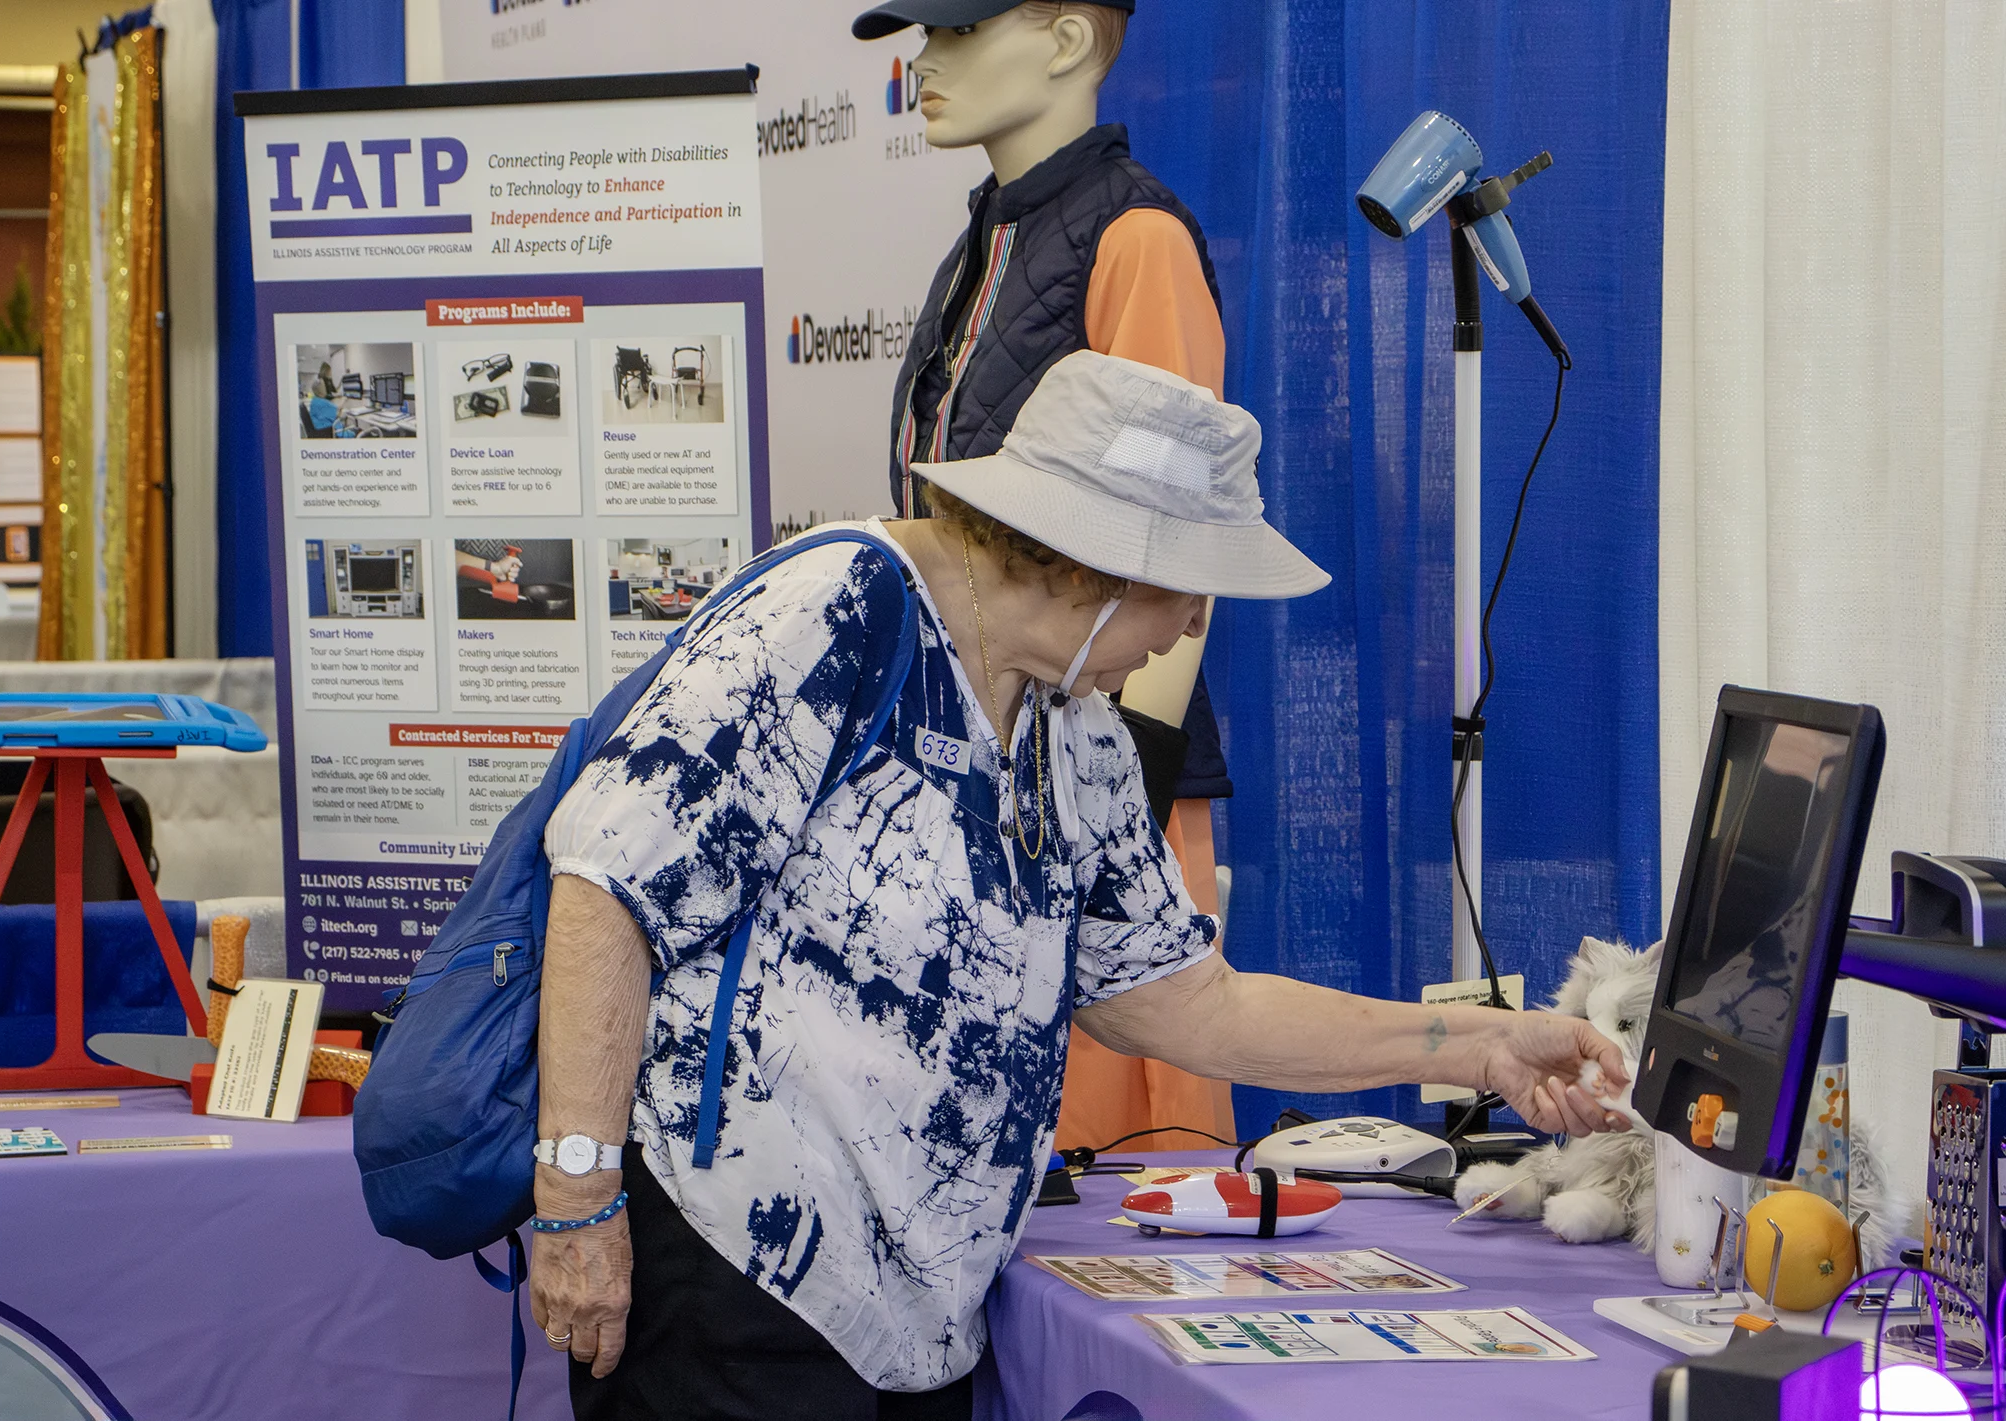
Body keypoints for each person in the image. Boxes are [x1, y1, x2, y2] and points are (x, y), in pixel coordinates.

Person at [529, 353, 1631, 1419]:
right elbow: (605, 884)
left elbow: (1188, 1000)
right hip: (732, 1277)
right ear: (1088, 563)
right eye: (1188, 588)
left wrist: (1482, 1045)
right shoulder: (834, 613)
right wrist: (576, 1194)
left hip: (917, 1317)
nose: (1197, 624)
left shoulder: (1078, 733)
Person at [855, 0, 1244, 1156]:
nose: (924, 63)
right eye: (923, 36)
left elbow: (1178, 551)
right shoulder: (983, 243)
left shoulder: (1134, 239)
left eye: (959, 34)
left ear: (1067, 41)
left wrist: (1122, 805)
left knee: (1115, 1162)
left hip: (1095, 774)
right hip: (974, 773)